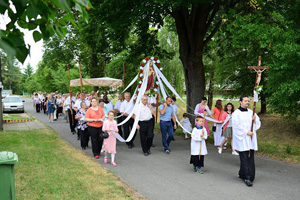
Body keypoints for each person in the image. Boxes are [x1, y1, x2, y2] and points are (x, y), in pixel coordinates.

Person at [232, 95, 261, 187]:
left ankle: (244, 174)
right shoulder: (236, 113)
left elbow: (258, 123)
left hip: (251, 139)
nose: (247, 102)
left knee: (250, 157)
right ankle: (247, 177)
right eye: (245, 101)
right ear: (240, 102)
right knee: (244, 158)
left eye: (248, 101)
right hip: (243, 138)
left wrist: (255, 120)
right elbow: (236, 126)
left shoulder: (251, 112)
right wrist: (246, 132)